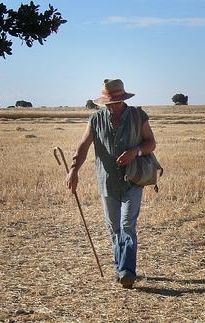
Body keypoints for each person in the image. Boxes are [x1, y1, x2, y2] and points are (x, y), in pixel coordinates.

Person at [66, 79, 156, 289]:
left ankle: (127, 272)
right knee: (114, 228)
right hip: (107, 182)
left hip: (133, 179)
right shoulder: (95, 120)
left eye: (115, 101)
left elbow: (151, 142)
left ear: (123, 99)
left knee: (127, 225)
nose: (112, 106)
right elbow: (83, 146)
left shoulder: (137, 116)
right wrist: (74, 169)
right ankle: (120, 268)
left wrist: (136, 152)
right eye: (108, 102)